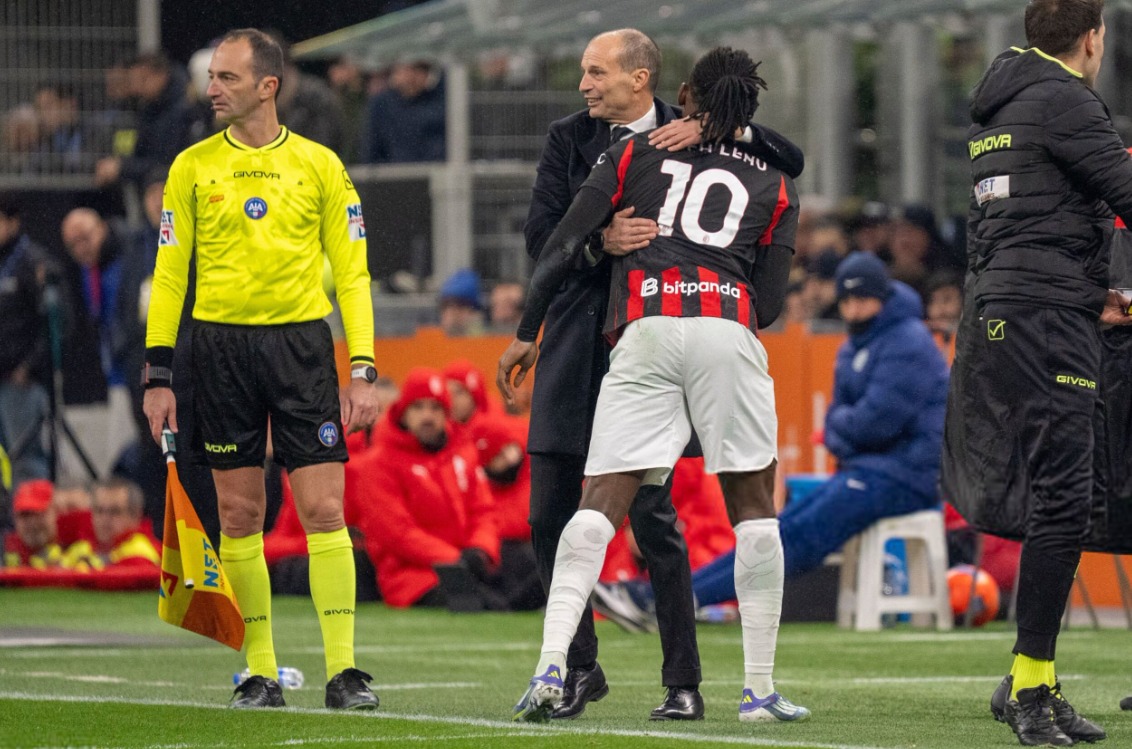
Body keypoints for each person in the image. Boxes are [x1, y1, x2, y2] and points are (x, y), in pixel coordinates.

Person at [501, 45, 807, 724]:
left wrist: (525, 329)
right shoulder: (777, 181)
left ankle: (551, 666)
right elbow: (770, 303)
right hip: (726, 326)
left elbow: (556, 246)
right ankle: (758, 691)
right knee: (753, 508)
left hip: (644, 328)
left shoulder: (632, 154)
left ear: (686, 96)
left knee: (598, 503)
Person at [141, 29, 380, 711]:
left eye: (227, 77)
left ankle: (344, 672)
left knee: (325, 509)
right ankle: (260, 671)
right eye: (212, 76)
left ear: (267, 85)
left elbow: (354, 274)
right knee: (240, 513)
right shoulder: (191, 166)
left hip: (301, 349)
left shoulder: (320, 165)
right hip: (217, 352)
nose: (212, 88)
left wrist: (363, 367)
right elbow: (169, 274)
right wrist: (158, 376)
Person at [940, 1, 1132, 744]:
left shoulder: (1000, 105)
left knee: (1059, 497)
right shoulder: (1066, 99)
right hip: (1048, 319)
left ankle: (1035, 678)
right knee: (1064, 499)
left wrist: (1087, 289)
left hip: (1009, 309)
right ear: (1093, 37)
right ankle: (1028, 687)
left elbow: (1007, 226)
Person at [597, 253, 950, 619]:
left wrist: (843, 431)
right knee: (779, 530)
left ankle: (674, 600)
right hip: (869, 472)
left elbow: (875, 423)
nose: (854, 309)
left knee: (798, 535)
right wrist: (846, 431)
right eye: (847, 300)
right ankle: (671, 596)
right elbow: (845, 422)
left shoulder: (908, 342)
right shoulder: (859, 345)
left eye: (863, 299)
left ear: (882, 297)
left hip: (908, 478)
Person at [352, 368, 501, 608]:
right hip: (414, 578)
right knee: (481, 606)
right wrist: (456, 559)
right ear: (403, 413)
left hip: (468, 564)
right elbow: (397, 533)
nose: (427, 416)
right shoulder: (378, 463)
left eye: (435, 408)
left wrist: (481, 550)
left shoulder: (462, 453)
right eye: (418, 407)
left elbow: (483, 511)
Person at [61, 477, 159, 572]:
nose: (105, 518)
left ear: (135, 516)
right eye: (99, 510)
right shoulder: (81, 548)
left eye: (115, 511)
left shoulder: (141, 554)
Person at [2, 479, 62, 568]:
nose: (32, 523)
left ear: (56, 512)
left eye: (39, 513)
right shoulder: (5, 551)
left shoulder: (76, 548)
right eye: (25, 515)